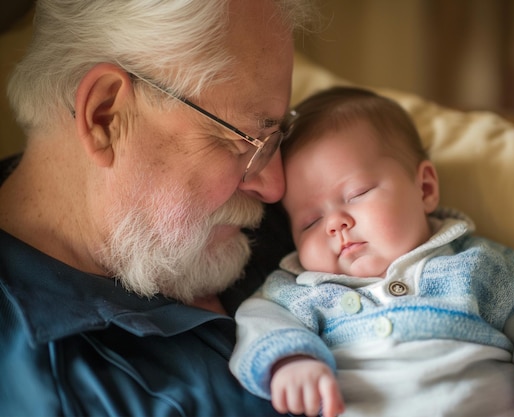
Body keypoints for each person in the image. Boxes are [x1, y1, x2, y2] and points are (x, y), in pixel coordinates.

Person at [0, 0, 314, 415]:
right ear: (106, 115)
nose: (276, 186)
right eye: (245, 141)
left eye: (277, 136)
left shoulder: (303, 211)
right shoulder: (39, 383)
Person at [229, 87, 514, 417]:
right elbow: (261, 320)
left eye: (357, 194)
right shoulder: (300, 290)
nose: (335, 224)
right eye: (309, 222)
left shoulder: (476, 265)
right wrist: (290, 361)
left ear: (425, 189)